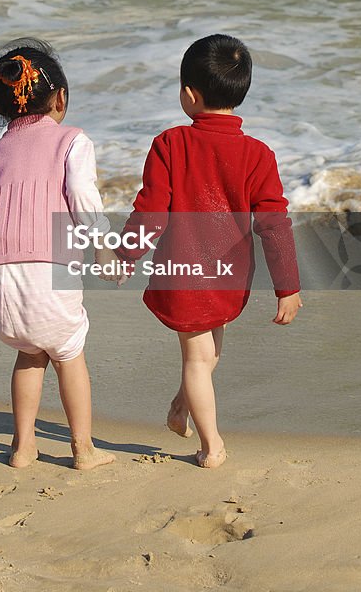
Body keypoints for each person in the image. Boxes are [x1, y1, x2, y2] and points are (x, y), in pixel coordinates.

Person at [108, 34, 302, 469]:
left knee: (201, 358)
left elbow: (151, 212)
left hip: (185, 274)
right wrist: (287, 286)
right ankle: (183, 407)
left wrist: (125, 254)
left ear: (189, 95)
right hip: (230, 275)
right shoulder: (259, 154)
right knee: (206, 354)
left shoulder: (170, 144)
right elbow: (273, 224)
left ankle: (211, 445)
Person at [0, 39, 115, 471]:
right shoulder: (71, 140)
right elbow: (80, 193)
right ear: (60, 98)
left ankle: (23, 447)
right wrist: (102, 244)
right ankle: (84, 450)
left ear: (1, 107)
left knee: (29, 351)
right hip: (46, 268)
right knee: (68, 351)